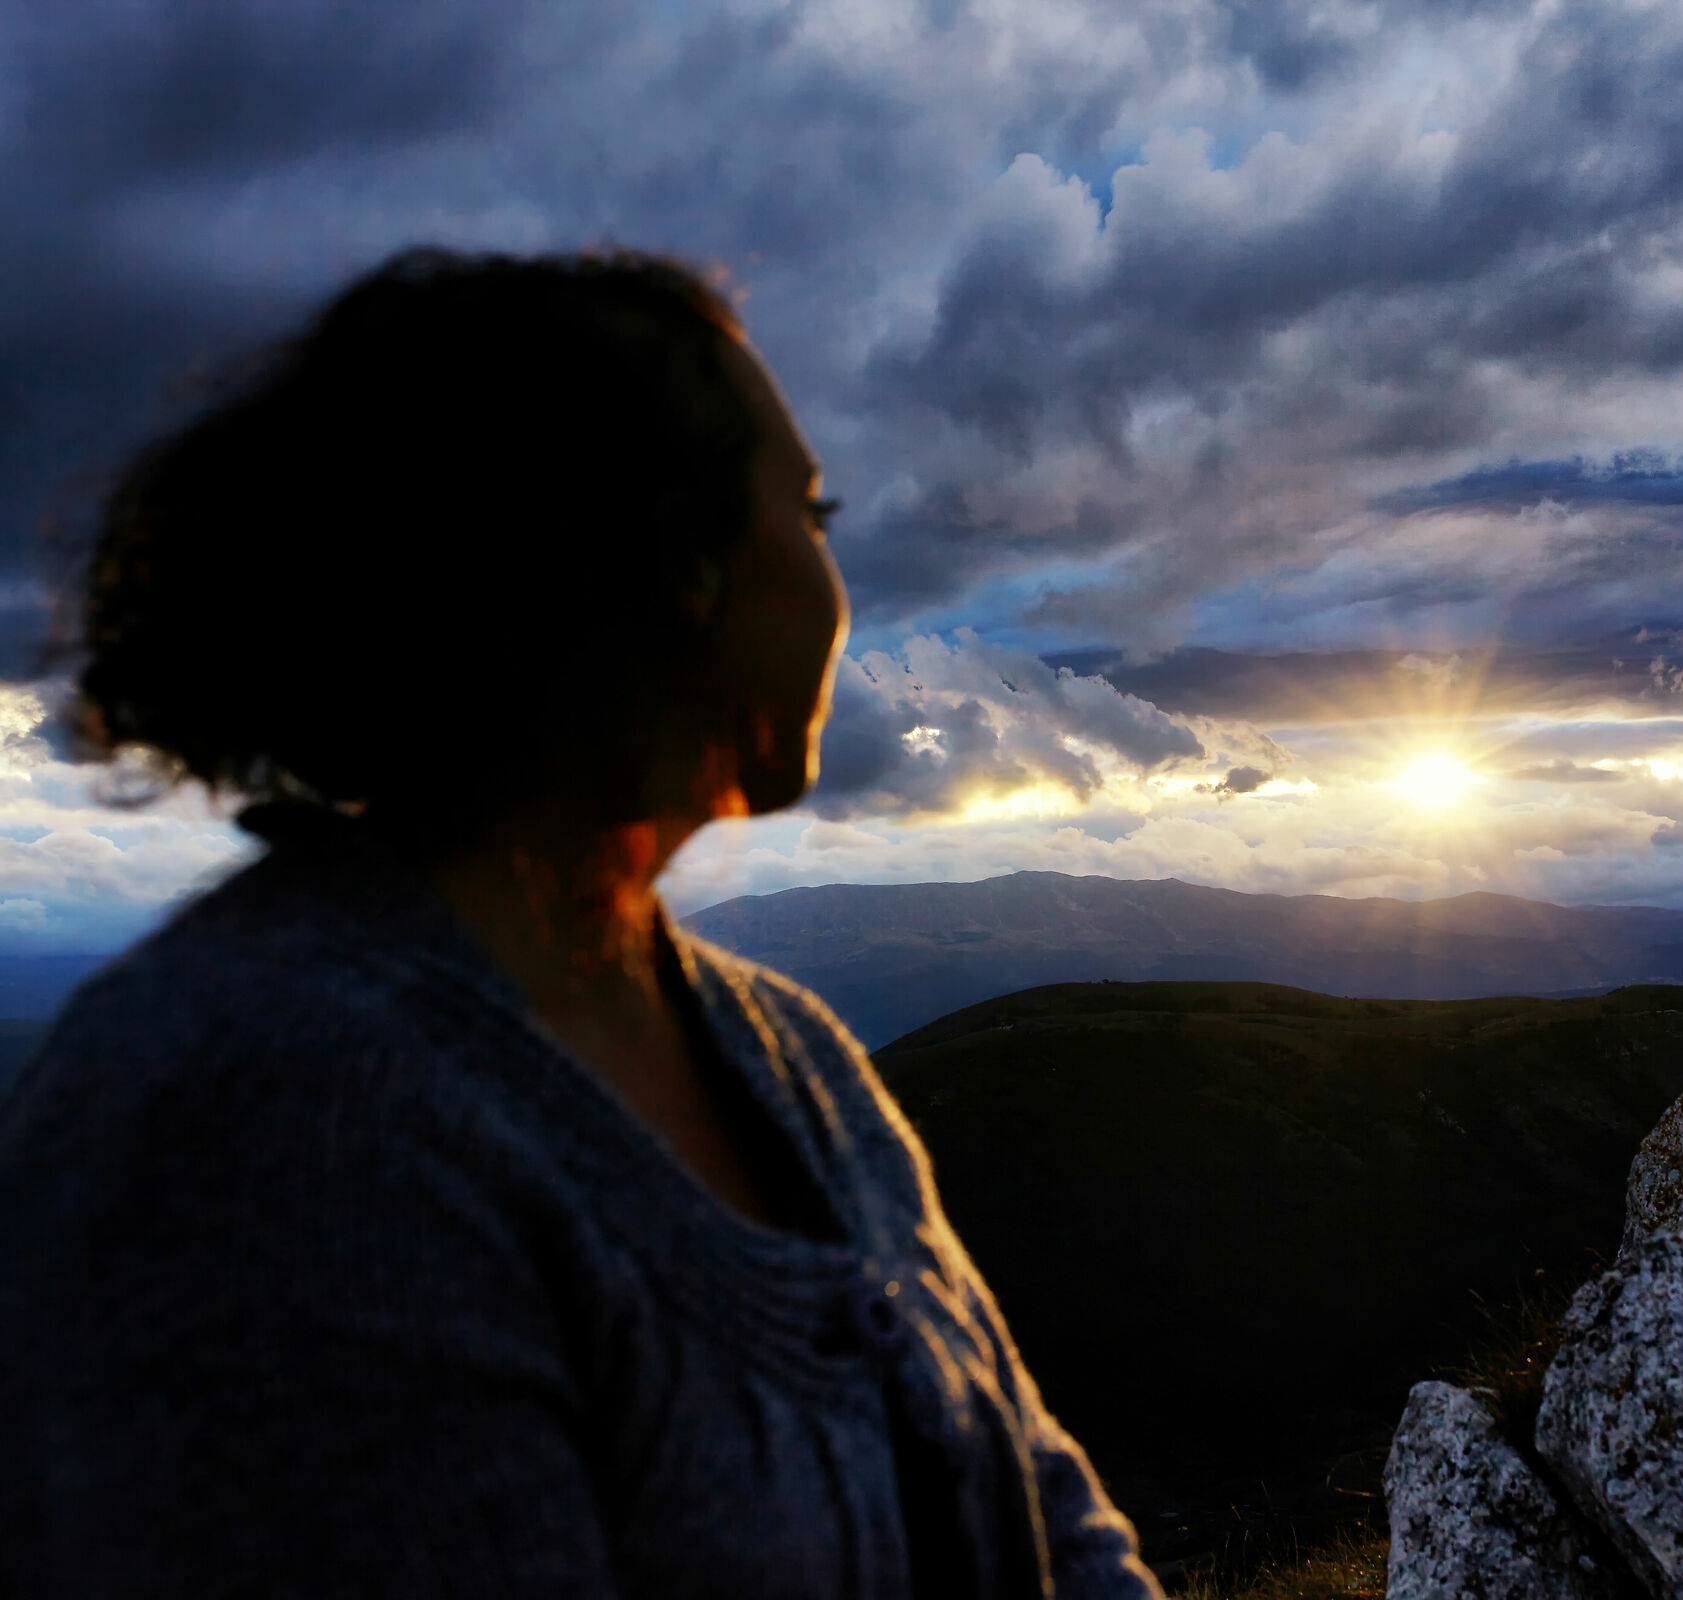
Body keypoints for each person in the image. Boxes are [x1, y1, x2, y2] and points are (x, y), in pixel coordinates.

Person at [0, 248, 1162, 1599]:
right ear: (674, 566)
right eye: (813, 511)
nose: (834, 578)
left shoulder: (790, 1055)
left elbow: (1048, 1511)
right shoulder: (268, 1125)